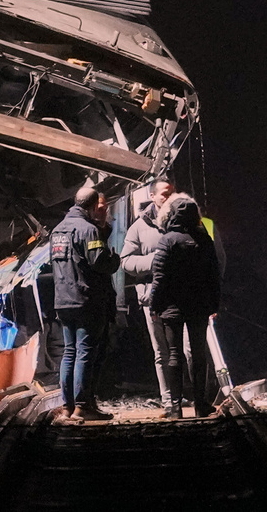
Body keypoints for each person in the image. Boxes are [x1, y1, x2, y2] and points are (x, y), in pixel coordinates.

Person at [147, 193, 221, 418]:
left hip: (172, 306)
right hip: (199, 306)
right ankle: (201, 405)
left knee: (173, 355)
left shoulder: (167, 240)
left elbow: (159, 277)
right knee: (199, 355)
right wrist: (213, 303)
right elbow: (213, 274)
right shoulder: (204, 239)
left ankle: (175, 409)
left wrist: (154, 304)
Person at [51, 187, 121, 421]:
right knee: (85, 353)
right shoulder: (88, 230)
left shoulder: (57, 230)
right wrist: (114, 259)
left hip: (62, 300)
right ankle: (83, 406)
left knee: (69, 352)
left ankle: (67, 406)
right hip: (86, 300)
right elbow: (99, 262)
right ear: (92, 206)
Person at [121, 177, 175, 413]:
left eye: (172, 192)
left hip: (181, 297)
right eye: (164, 193)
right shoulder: (139, 226)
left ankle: (191, 395)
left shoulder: (183, 220)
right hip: (152, 298)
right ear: (152, 196)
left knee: (187, 350)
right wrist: (154, 260)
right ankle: (169, 400)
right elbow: (126, 261)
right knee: (161, 352)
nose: (169, 197)